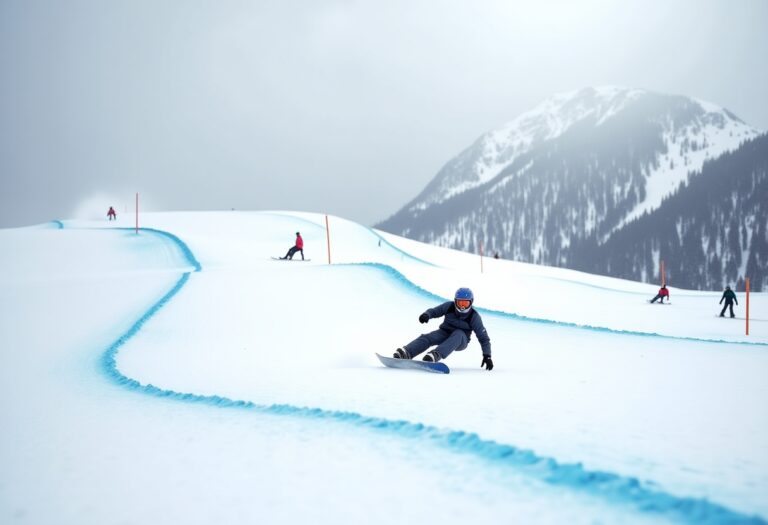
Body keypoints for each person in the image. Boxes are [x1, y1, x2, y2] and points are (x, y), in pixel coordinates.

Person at [393, 287, 493, 370]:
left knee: (458, 333)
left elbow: (483, 338)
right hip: (445, 333)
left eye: (465, 303)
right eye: (460, 303)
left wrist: (487, 355)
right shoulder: (449, 306)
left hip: (461, 340)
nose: (462, 307)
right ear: (455, 302)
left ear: (471, 303)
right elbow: (435, 311)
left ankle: (436, 354)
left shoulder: (474, 317)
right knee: (428, 337)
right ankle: (407, 352)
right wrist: (427, 315)